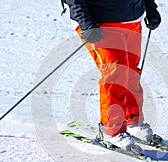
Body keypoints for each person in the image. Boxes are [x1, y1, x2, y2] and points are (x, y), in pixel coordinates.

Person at [63, 0, 162, 148]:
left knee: (131, 71)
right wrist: (85, 23)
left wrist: (150, 7)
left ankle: (134, 121)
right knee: (115, 74)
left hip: (132, 18)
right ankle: (111, 129)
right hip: (100, 22)